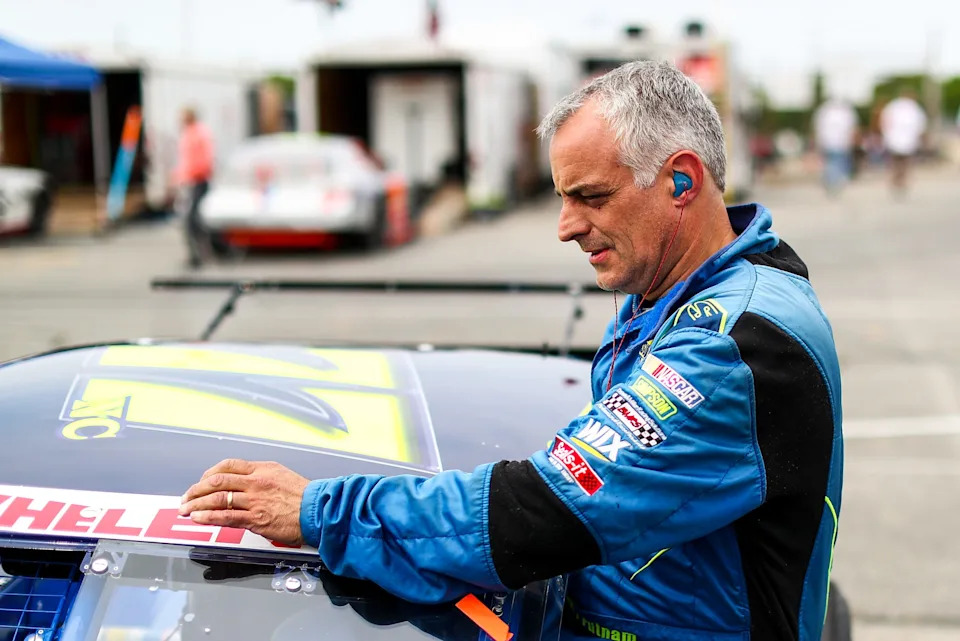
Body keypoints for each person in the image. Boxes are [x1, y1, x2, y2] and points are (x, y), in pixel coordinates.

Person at [180, 61, 844, 641]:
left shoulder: (736, 342)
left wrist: (318, 509)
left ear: (680, 181)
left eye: (590, 196)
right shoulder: (678, 290)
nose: (566, 226)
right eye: (562, 197)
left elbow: (548, 509)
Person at [173, 107, 215, 268]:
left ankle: (198, 255)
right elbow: (186, 160)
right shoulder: (189, 133)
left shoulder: (199, 133)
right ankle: (200, 253)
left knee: (191, 220)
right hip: (191, 180)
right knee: (194, 219)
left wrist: (195, 173)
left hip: (198, 180)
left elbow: (203, 159)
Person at [879, 90, 927, 194]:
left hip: (901, 141)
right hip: (900, 140)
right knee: (902, 163)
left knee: (899, 163)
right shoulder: (913, 108)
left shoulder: (894, 106)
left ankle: (898, 180)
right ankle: (899, 180)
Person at [813, 97, 858, 195]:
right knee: (836, 163)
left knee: (833, 163)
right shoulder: (845, 112)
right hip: (835, 142)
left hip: (836, 142)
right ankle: (832, 180)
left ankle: (831, 180)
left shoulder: (824, 111)